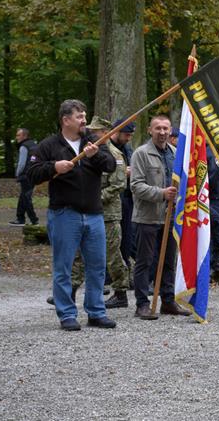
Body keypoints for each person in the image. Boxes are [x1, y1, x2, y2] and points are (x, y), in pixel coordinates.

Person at [26, 100, 117, 331]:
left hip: (94, 214)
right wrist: (54, 167)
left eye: (84, 116)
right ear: (66, 120)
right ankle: (67, 314)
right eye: (79, 117)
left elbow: (110, 166)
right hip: (64, 214)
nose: (84, 120)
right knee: (63, 267)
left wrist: (95, 155)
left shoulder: (93, 142)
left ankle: (96, 312)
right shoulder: (49, 146)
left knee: (97, 267)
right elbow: (31, 174)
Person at [130, 114, 191, 320]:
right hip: (147, 218)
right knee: (144, 262)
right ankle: (142, 304)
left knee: (168, 262)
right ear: (150, 130)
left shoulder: (175, 154)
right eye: (158, 128)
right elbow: (136, 185)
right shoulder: (141, 154)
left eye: (166, 128)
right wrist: (161, 193)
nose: (162, 132)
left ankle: (167, 301)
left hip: (170, 218)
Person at [69, 117, 131, 308]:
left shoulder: (115, 155)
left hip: (109, 214)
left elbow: (118, 185)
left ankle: (120, 293)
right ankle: (69, 292)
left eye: (95, 132)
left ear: (106, 133)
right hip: (87, 211)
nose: (91, 134)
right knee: (77, 253)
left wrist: (94, 197)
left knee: (112, 255)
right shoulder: (87, 153)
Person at [110, 119, 136, 283]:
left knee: (127, 239)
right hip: (110, 199)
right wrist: (122, 172)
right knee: (112, 240)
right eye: (126, 134)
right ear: (116, 132)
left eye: (130, 135)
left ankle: (125, 274)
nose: (128, 138)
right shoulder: (106, 148)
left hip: (127, 199)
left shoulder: (127, 149)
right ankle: (109, 276)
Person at [9, 128, 39, 226]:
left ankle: (34, 219)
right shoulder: (34, 145)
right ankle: (20, 218)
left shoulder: (23, 146)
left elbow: (21, 164)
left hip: (25, 175)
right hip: (33, 174)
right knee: (24, 196)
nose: (16, 137)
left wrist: (17, 174)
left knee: (26, 197)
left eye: (18, 135)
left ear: (24, 136)